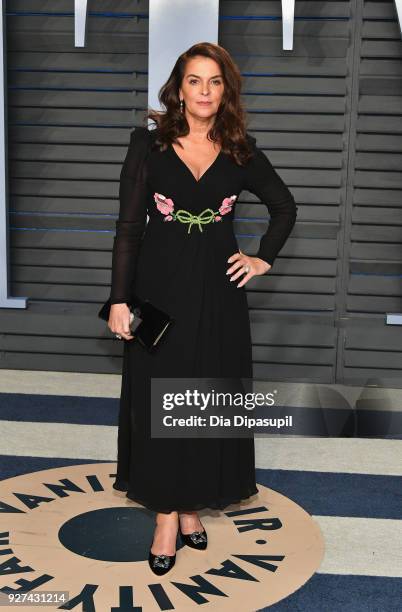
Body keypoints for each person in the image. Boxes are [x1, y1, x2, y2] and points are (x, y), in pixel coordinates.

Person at [107, 42, 297, 575]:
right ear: (179, 88)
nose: (205, 92)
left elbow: (285, 207)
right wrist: (119, 300)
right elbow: (127, 231)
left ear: (226, 90)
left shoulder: (241, 152)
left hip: (219, 296)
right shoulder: (147, 148)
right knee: (159, 400)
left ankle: (190, 507)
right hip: (157, 296)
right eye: (195, 81)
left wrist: (263, 260)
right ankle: (168, 516)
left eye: (215, 82)